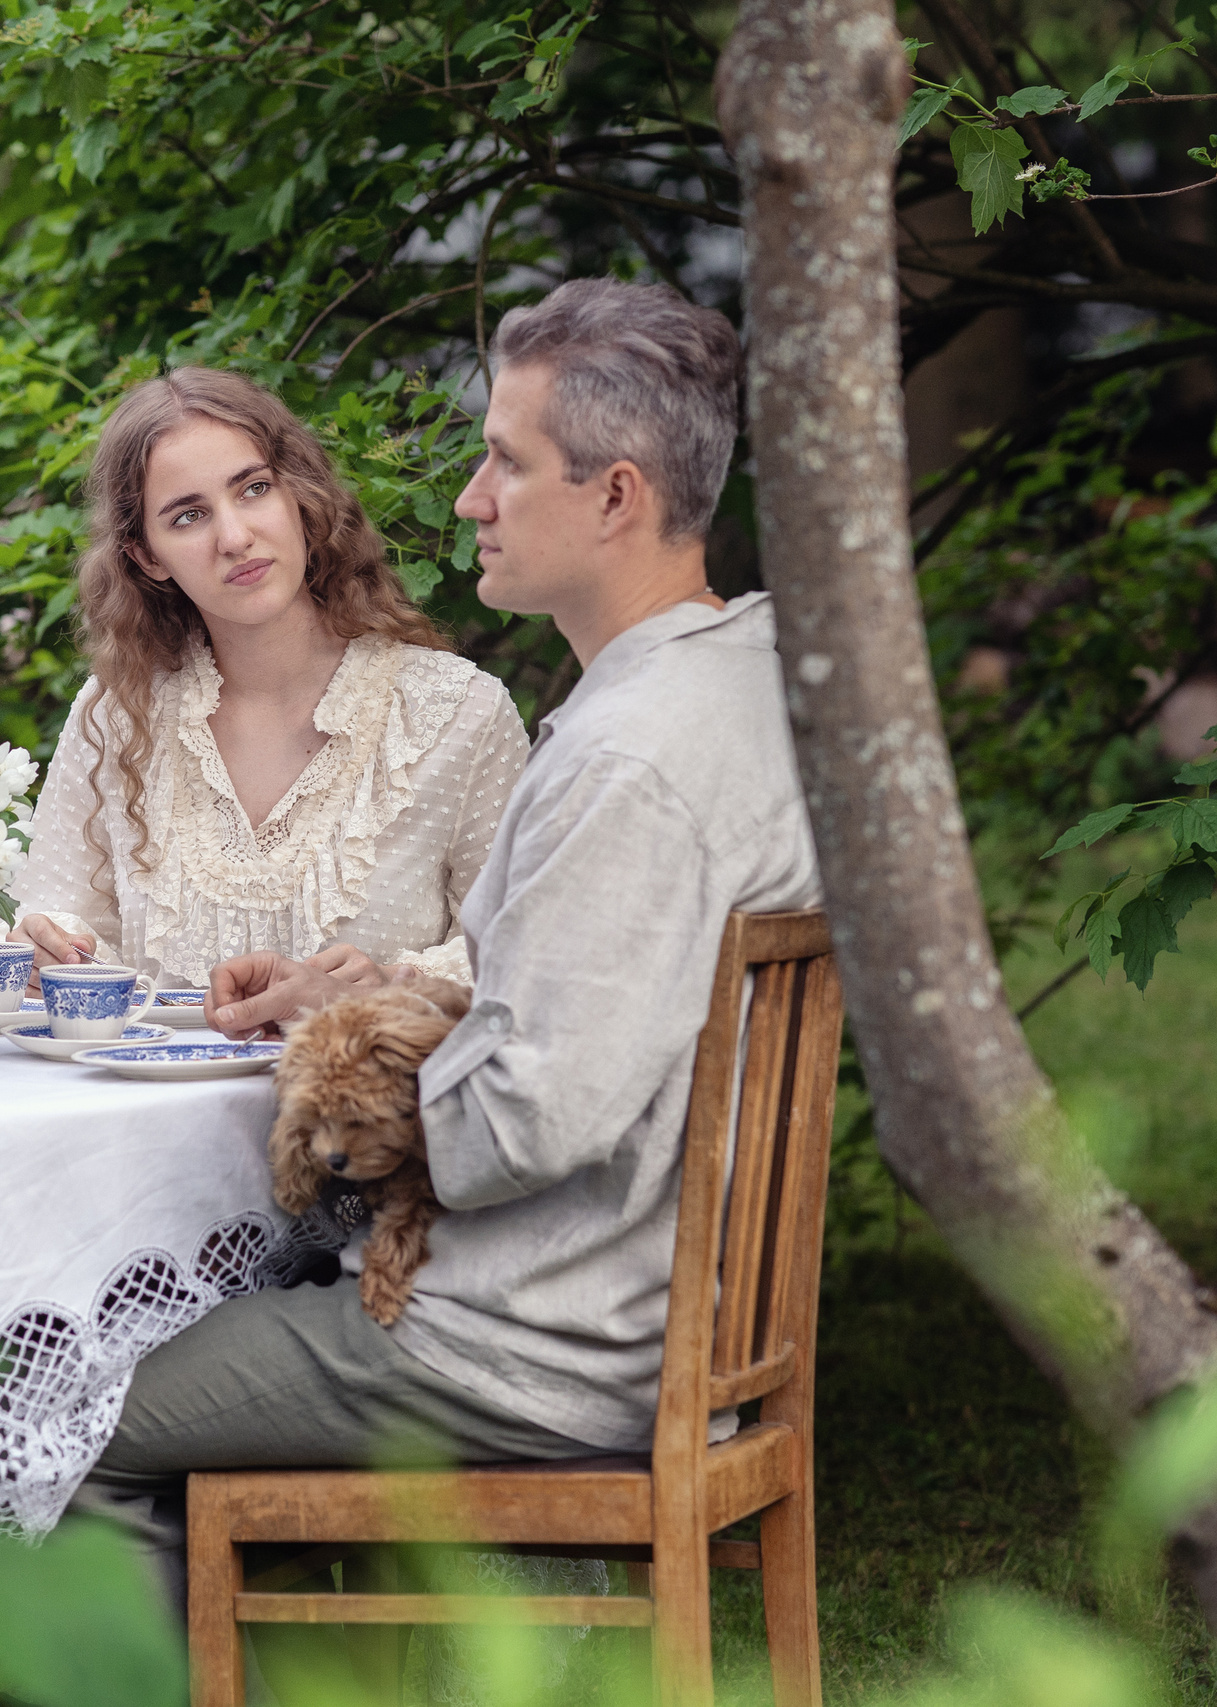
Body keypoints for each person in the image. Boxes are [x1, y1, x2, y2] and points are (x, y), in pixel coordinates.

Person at [83, 279, 823, 1575]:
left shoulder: (623, 761)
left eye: (505, 461)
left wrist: (357, 1061)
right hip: (653, 1302)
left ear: (616, 496)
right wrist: (383, 995)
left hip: (534, 1338)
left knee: (56, 1419)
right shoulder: (743, 677)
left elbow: (519, 1128)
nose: (472, 499)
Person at [7, 368, 527, 990]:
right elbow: (60, 921)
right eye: (188, 516)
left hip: (373, 1058)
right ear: (147, 557)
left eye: (254, 489)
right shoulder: (116, 713)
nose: (235, 537)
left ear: (299, 495)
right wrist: (43, 950)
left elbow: (526, 954)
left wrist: (394, 987)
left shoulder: (458, 712)